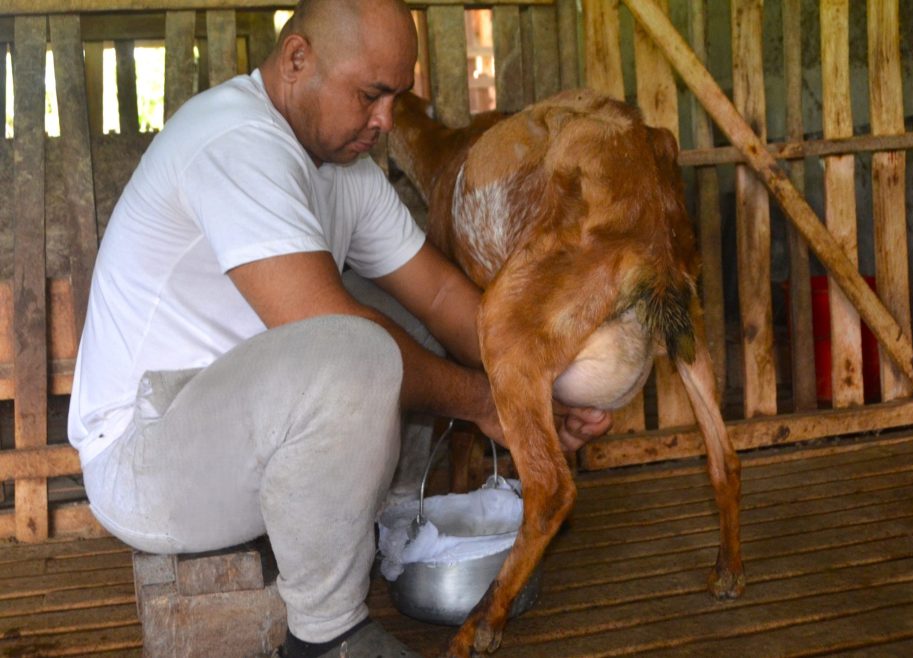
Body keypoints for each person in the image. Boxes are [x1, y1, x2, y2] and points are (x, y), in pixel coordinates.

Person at [66, 1, 612, 656]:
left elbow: (440, 295)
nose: (386, 121)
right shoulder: (234, 140)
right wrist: (484, 402)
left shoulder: (345, 169)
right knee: (359, 344)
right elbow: (331, 328)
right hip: (148, 462)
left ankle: (388, 526)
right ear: (298, 59)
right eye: (370, 95)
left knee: (404, 328)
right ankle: (326, 634)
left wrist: (536, 389)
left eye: (396, 98)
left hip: (239, 433)